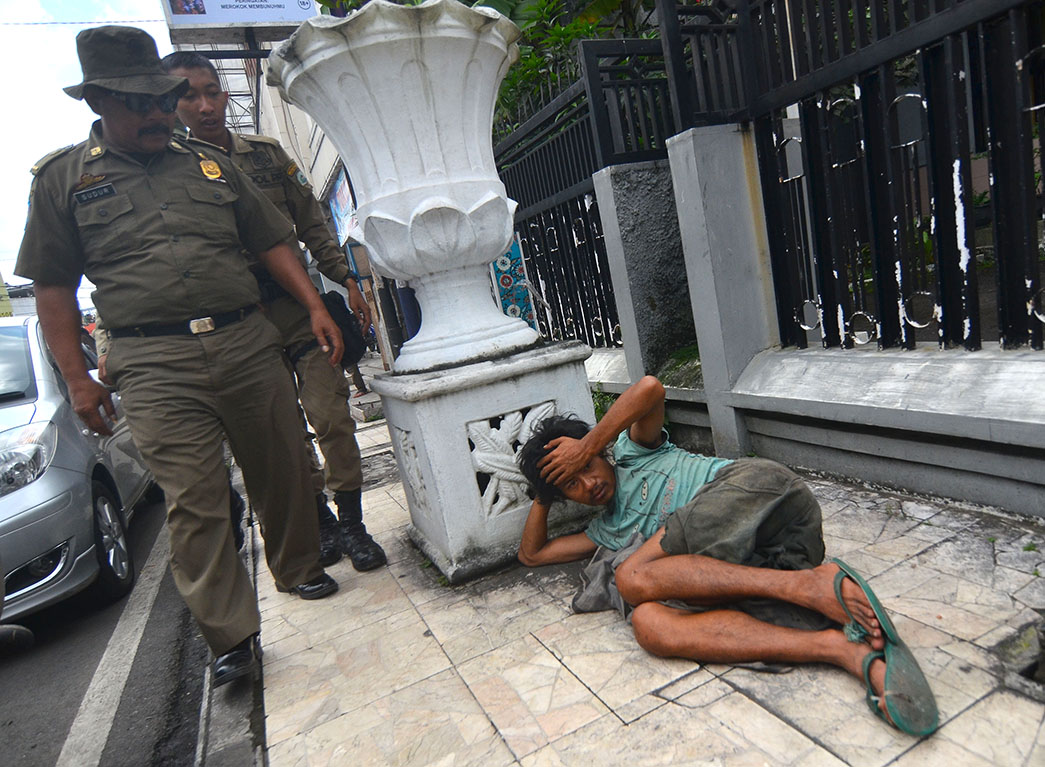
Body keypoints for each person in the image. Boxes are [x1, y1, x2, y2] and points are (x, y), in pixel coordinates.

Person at [16, 26, 342, 687]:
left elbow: (272, 239)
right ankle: (232, 637)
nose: (160, 113)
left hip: (245, 337)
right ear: (100, 102)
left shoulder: (209, 165)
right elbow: (52, 285)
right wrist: (78, 379)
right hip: (151, 360)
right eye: (142, 103)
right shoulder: (63, 180)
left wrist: (314, 303)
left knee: (281, 464)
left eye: (164, 100)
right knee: (195, 500)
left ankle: (299, 566)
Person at [516, 376, 939, 737]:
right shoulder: (603, 531)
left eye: (587, 465)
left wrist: (585, 444)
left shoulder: (633, 450)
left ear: (601, 451)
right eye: (572, 484)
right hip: (774, 556)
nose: (588, 483)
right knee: (649, 624)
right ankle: (843, 651)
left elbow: (650, 387)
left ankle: (808, 588)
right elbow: (532, 555)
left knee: (630, 578)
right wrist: (543, 492)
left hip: (763, 495)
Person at [157, 50, 386, 572]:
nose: (205, 105)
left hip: (298, 309)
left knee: (332, 417)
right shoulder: (167, 175)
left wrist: (349, 279)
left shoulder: (265, 154)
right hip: (238, 323)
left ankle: (352, 522)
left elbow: (311, 224)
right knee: (282, 435)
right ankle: (319, 523)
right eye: (188, 95)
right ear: (168, 104)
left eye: (213, 91)